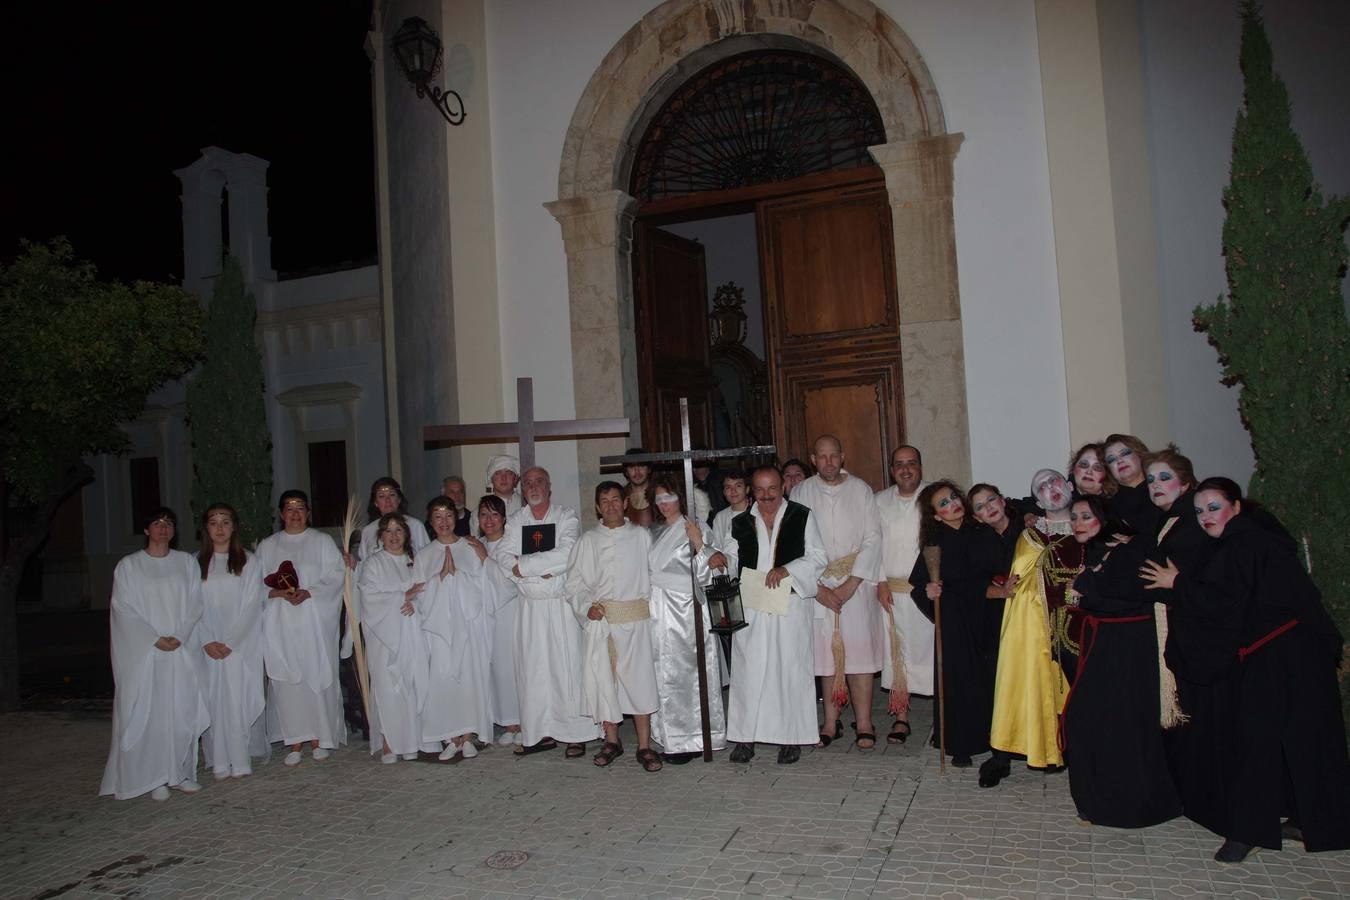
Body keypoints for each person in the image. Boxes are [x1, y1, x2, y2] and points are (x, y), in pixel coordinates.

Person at [1143, 478, 1350, 862]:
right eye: (1200, 510)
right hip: (1285, 653)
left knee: (1259, 742)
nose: (1205, 516)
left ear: (1236, 507)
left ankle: (1249, 830)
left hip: (1286, 654)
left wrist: (1178, 582)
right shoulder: (1242, 541)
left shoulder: (1247, 541)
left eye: (1214, 507)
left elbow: (1227, 601)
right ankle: (1311, 819)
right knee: (1300, 738)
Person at [1060, 496, 1181, 827]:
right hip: (1107, 646)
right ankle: (1097, 801)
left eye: (1086, 516)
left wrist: (1084, 586)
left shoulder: (1129, 550)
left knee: (1120, 724)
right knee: (1091, 721)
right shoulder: (1100, 552)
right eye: (1074, 517)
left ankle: (1127, 806)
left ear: (1105, 519)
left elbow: (1126, 594)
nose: (1077, 522)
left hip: (1128, 652)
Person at [1141, 447, 1229, 836]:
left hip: (1199, 637)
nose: (1156, 485)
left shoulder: (1190, 524)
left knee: (1203, 719)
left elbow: (1212, 580)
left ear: (1186, 481)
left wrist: (1174, 583)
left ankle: (1216, 806)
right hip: (1181, 629)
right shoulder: (1171, 521)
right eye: (1151, 480)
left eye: (1164, 477)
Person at [981, 469, 1084, 788]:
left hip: (1084, 624)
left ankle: (1080, 752)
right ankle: (1016, 751)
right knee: (1028, 683)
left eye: (1054, 481)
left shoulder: (1090, 525)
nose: (1049, 489)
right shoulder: (1030, 535)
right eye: (1041, 487)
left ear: (1069, 486)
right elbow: (1022, 582)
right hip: (1037, 628)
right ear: (1036, 500)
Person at [100, 508, 209, 802]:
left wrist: (181, 635)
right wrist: (153, 638)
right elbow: (123, 608)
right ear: (146, 530)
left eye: (169, 524)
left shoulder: (186, 563)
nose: (163, 529)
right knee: (150, 713)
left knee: (179, 710)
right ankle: (154, 776)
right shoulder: (130, 565)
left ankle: (179, 772)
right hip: (147, 652)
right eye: (157, 524)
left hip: (179, 649)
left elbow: (195, 604)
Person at [723, 465, 827, 764]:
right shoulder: (739, 522)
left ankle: (791, 737)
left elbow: (818, 557)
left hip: (790, 605)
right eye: (759, 489)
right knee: (748, 670)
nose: (766, 495)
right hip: (753, 604)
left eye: (772, 488)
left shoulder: (802, 515)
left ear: (783, 486)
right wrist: (719, 560)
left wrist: (788, 569)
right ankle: (745, 737)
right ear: (752, 491)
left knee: (790, 669)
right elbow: (731, 559)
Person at [791, 435, 884, 750]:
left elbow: (873, 538)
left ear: (842, 457)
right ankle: (830, 722)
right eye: (822, 456)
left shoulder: (861, 490)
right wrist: (816, 589)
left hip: (855, 585)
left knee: (859, 657)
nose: (828, 461)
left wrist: (851, 584)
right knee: (826, 659)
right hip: (817, 584)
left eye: (834, 456)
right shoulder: (801, 492)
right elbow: (793, 543)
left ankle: (865, 722)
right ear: (813, 459)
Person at [502, 467, 601, 756]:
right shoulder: (516, 521)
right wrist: (536, 572)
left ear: (549, 486)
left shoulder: (565, 516)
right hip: (530, 607)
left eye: (539, 482)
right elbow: (503, 556)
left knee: (566, 668)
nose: (534, 487)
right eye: (529, 483)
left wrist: (525, 567)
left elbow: (568, 553)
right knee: (533, 670)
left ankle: (575, 734)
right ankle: (539, 732)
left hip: (559, 606)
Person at [907, 482, 1006, 768]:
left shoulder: (980, 531)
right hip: (954, 619)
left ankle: (994, 738)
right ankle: (960, 744)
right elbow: (918, 583)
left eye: (953, 497)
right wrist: (928, 591)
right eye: (944, 503)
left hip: (985, 613)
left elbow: (995, 569)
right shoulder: (935, 543)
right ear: (936, 515)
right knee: (958, 681)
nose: (953, 504)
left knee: (989, 676)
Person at [567, 481, 661, 771]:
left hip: (636, 621)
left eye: (615, 499)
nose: (610, 505)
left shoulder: (641, 536)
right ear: (597, 507)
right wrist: (586, 607)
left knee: (640, 682)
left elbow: (655, 576)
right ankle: (612, 740)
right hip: (603, 621)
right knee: (605, 681)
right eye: (604, 501)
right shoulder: (587, 541)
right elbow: (574, 583)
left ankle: (645, 746)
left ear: (625, 503)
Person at [258, 490, 346, 766]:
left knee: (314, 675)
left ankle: (320, 737)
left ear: (308, 513)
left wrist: (309, 592)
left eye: (300, 508)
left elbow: (335, 576)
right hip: (280, 624)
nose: (295, 514)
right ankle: (294, 740)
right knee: (287, 682)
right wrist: (276, 595)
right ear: (281, 514)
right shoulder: (268, 546)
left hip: (313, 623)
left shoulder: (321, 542)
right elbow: (254, 584)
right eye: (289, 508)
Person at [647, 473, 727, 763]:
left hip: (686, 609)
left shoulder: (696, 527)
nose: (664, 504)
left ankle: (693, 739)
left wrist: (700, 546)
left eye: (669, 497)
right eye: (659, 499)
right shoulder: (653, 532)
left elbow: (711, 573)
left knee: (689, 676)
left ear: (680, 497)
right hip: (658, 611)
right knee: (663, 675)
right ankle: (670, 737)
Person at [415, 497, 493, 761]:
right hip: (439, 632)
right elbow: (419, 594)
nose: (444, 522)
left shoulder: (470, 547)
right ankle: (449, 736)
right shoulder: (424, 555)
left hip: (468, 626)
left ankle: (469, 735)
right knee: (443, 680)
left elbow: (485, 585)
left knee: (469, 678)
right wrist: (440, 578)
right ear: (431, 521)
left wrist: (458, 576)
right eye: (438, 517)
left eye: (448, 516)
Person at [194, 503, 267, 780]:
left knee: (237, 698)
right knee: (214, 699)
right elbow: (191, 607)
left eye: (225, 522)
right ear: (206, 529)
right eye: (214, 523)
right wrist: (206, 640)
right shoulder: (194, 564)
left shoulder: (248, 561)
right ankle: (219, 760)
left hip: (239, 644)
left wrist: (231, 642)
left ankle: (240, 757)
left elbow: (251, 605)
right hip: (208, 644)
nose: (220, 528)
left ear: (234, 526)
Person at [358, 512, 433, 763]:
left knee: (412, 685)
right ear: (380, 536)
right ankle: (390, 742)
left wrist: (415, 603)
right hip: (385, 638)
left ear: (407, 535)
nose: (393, 536)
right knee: (389, 688)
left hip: (413, 635)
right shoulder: (374, 564)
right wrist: (402, 597)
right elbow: (369, 597)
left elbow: (426, 592)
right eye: (388, 531)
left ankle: (411, 740)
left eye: (398, 530)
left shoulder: (416, 561)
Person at [875, 444, 933, 744]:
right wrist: (880, 582)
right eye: (899, 464)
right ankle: (901, 717)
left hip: (927, 592)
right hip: (892, 591)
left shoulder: (935, 498)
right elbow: (872, 545)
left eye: (911, 463)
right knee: (898, 654)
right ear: (891, 469)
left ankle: (943, 717)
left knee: (932, 652)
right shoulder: (879, 501)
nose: (905, 469)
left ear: (920, 467)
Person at [477, 494, 522, 745]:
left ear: (504, 518)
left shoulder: (511, 545)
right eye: (484, 514)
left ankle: (521, 721)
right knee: (493, 669)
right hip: (485, 618)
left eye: (494, 514)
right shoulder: (473, 545)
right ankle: (506, 722)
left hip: (510, 614)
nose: (489, 519)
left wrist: (486, 559)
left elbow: (510, 584)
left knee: (511, 668)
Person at [356, 477, 431, 563]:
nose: (387, 500)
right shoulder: (368, 530)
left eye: (392, 494)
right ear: (375, 503)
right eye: (381, 496)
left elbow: (427, 558)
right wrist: (353, 566)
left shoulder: (415, 525)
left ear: (399, 499)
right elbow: (364, 565)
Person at [1103, 433, 1159, 533]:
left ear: (1140, 455)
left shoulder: (1163, 488)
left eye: (1124, 453)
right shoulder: (1107, 508)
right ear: (1108, 470)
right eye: (1111, 459)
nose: (1119, 461)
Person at [622, 448, 654, 527]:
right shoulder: (620, 496)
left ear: (649, 468)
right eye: (632, 466)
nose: (637, 471)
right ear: (626, 471)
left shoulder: (659, 493)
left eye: (641, 465)